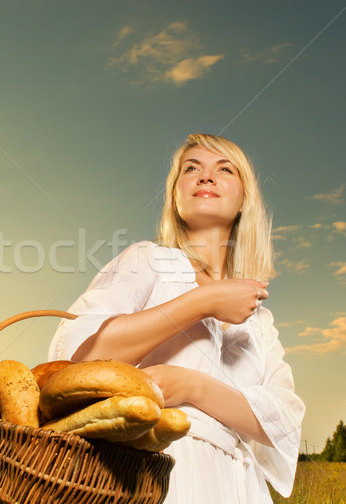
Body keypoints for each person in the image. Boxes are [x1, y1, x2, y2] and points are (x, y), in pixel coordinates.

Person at [48, 133, 305, 503]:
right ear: (174, 197)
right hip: (160, 474)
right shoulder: (148, 261)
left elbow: (282, 421)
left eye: (224, 168)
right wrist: (203, 301)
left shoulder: (260, 321)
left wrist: (189, 386)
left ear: (244, 199)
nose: (206, 176)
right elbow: (79, 362)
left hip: (241, 488)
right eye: (191, 169)